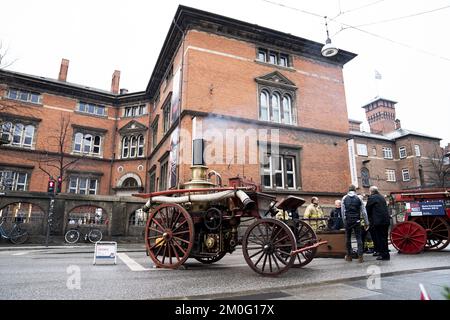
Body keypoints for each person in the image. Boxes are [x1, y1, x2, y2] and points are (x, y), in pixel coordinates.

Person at [341, 185, 369, 263]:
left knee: (348, 238)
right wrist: (367, 222)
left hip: (348, 220)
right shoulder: (359, 198)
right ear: (355, 190)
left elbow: (343, 212)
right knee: (359, 238)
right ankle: (360, 257)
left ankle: (349, 256)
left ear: (348, 190)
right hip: (357, 220)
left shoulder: (344, 198)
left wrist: (344, 221)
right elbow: (364, 211)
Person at [366, 186, 391, 260]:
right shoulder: (382, 197)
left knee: (379, 238)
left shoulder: (372, 198)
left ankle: (383, 255)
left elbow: (367, 210)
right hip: (385, 221)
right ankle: (386, 254)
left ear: (371, 191)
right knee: (384, 238)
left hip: (378, 222)